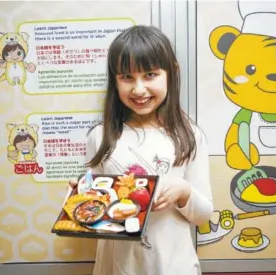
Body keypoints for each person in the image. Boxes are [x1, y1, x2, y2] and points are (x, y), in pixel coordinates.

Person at [65, 25, 213, 275]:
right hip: (116, 268)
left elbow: (203, 215)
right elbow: (96, 215)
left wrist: (184, 191)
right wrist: (82, 198)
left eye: (150, 75)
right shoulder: (100, 136)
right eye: (126, 77)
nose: (139, 89)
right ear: (114, 80)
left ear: (171, 73)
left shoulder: (189, 136)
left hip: (173, 266)